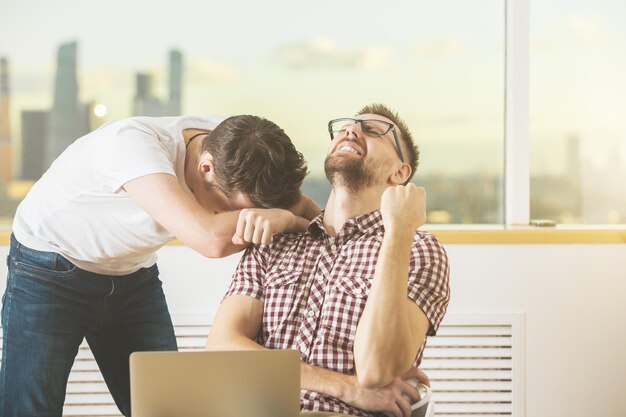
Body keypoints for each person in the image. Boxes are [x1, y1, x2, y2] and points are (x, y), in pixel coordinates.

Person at [0, 114, 320, 417]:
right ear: (205, 168)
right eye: (231, 210)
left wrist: (322, 232)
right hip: (48, 270)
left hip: (132, 276)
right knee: (29, 408)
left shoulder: (248, 147)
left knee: (167, 407)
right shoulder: (133, 146)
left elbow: (303, 207)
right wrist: (282, 219)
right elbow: (209, 239)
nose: (238, 220)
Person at [206, 104, 451, 417]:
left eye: (374, 131)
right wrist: (346, 386)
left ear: (400, 173)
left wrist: (399, 230)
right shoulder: (276, 240)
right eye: (347, 126)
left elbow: (376, 368)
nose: (351, 130)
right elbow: (221, 348)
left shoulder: (416, 249)